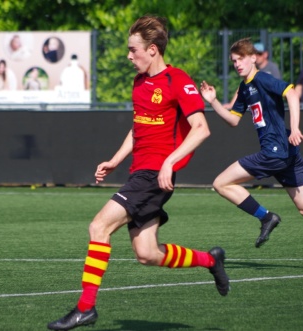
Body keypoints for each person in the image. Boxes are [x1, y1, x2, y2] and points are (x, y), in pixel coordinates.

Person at [47, 15, 230, 331]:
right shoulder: (139, 83)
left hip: (154, 176)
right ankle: (211, 260)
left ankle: (85, 308)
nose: (129, 56)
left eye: (134, 50)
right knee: (147, 253)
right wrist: (115, 159)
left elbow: (201, 129)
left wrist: (170, 162)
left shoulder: (178, 80)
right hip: (138, 174)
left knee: (98, 226)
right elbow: (139, 128)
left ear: (154, 50)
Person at [199, 38, 303, 252]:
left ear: (253, 58)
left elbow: (292, 93)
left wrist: (295, 128)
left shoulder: (263, 79)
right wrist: (213, 101)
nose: (237, 64)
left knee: (221, 183)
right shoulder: (245, 88)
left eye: (241, 59)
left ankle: (266, 217)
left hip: (274, 153)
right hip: (286, 153)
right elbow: (233, 120)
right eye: (234, 61)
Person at [223, 42, 281, 108]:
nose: (257, 56)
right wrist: (231, 104)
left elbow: (278, 86)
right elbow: (243, 87)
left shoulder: (272, 67)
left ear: (265, 54)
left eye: (259, 54)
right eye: (255, 54)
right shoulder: (251, 68)